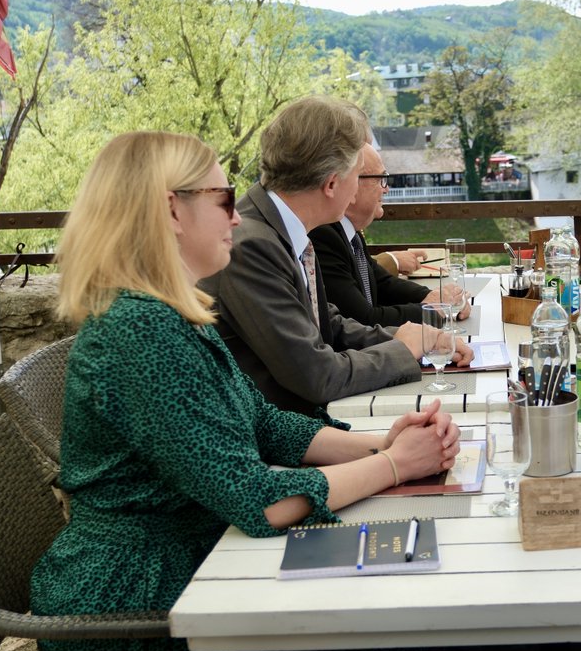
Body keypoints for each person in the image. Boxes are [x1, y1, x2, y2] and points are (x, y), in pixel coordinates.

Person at [30, 131, 462, 651]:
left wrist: (379, 442)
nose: (238, 214)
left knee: (393, 615)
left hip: (197, 573)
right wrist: (393, 466)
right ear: (170, 209)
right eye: (225, 198)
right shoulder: (142, 332)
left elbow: (263, 424)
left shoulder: (172, 312)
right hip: (139, 626)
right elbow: (259, 502)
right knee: (383, 630)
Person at [201, 95, 471, 416]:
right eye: (358, 176)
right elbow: (317, 375)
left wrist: (411, 335)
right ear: (331, 183)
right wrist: (402, 350)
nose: (358, 190)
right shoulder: (252, 244)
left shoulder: (283, 227)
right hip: (279, 438)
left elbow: (328, 325)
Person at [309, 143, 469, 328]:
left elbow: (381, 283)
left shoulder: (348, 233)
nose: (386, 189)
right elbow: (363, 320)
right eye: (381, 179)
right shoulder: (324, 235)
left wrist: (435, 298)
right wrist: (431, 310)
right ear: (353, 184)